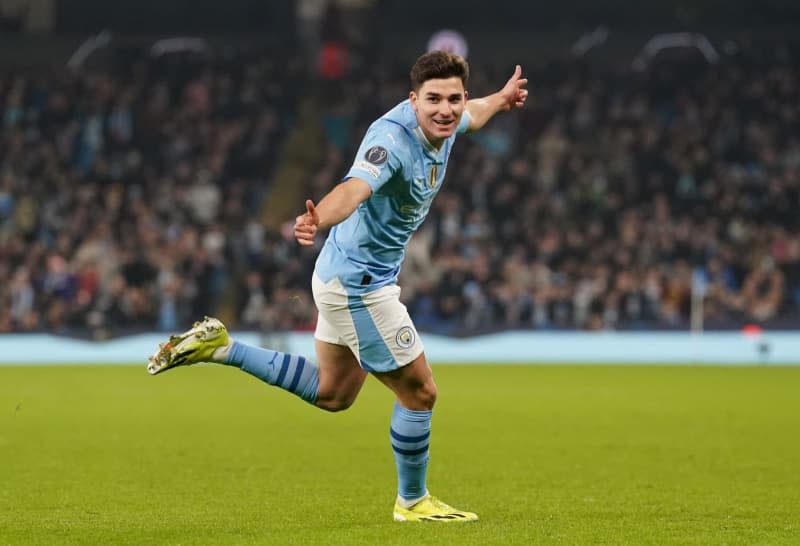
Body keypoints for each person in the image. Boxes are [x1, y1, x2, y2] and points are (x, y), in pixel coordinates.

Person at [148, 50, 528, 523]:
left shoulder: (451, 121)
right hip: (359, 285)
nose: (445, 110)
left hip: (340, 274)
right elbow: (355, 188)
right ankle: (412, 502)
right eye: (433, 100)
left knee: (333, 394)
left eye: (453, 98)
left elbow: (475, 114)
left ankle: (222, 347)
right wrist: (317, 218)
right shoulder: (391, 141)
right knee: (420, 393)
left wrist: (502, 98)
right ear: (413, 101)